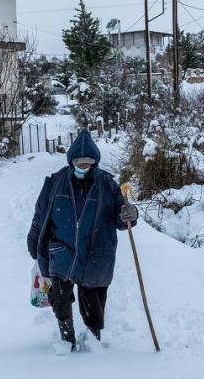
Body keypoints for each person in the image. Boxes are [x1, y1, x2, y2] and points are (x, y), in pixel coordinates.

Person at [27, 130, 138, 350]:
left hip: (95, 252)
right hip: (62, 250)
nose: (82, 167)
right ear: (71, 161)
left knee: (94, 305)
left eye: (87, 163)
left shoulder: (107, 185)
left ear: (94, 163)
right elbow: (41, 214)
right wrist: (34, 240)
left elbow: (120, 217)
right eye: (78, 162)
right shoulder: (56, 182)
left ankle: (93, 339)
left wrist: (130, 214)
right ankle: (67, 337)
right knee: (59, 299)